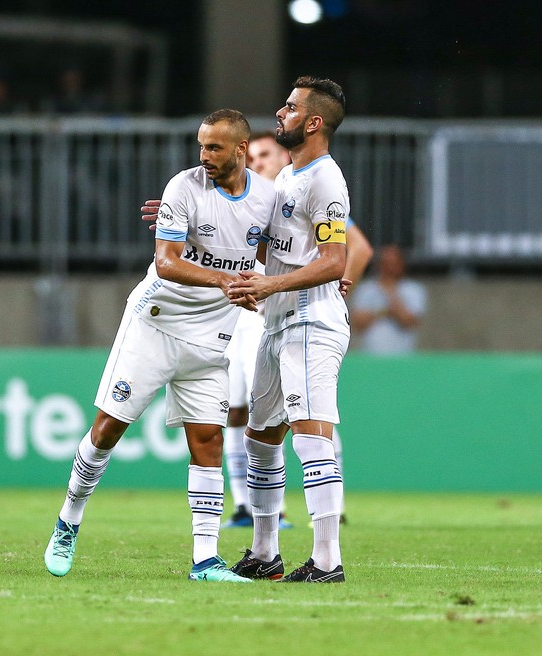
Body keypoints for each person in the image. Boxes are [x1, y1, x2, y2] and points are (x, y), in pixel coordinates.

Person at [43, 109, 274, 583]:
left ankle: (206, 560)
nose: (204, 155)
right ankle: (69, 518)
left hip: (212, 337)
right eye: (201, 145)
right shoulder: (183, 187)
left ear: (240, 150)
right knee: (107, 429)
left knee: (208, 441)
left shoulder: (267, 199)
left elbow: (276, 253)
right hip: (156, 324)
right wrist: (228, 280)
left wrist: (303, 282)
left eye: (214, 147)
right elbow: (167, 263)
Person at [226, 76, 353, 583]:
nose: (280, 113)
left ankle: (327, 559)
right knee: (261, 436)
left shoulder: (326, 181)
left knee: (310, 433)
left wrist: (274, 285)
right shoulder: (286, 179)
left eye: (290, 107)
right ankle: (264, 552)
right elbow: (274, 252)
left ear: (314, 122)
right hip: (277, 321)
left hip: (310, 319)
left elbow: (334, 260)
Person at [222, 133, 371, 529]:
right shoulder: (262, 196)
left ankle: (327, 530)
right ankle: (248, 513)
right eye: (250, 156)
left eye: (264, 153)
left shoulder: (312, 185)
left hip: (294, 307)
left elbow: (351, 249)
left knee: (307, 416)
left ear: (283, 153)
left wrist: (341, 283)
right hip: (255, 313)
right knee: (244, 415)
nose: (256, 162)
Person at [350, 244, 426, 354]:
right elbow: (358, 323)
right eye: (386, 264)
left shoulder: (414, 290)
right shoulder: (366, 289)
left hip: (403, 358)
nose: (389, 268)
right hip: (370, 358)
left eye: (394, 264)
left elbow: (409, 321)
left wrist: (391, 292)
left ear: (402, 264)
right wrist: (385, 312)